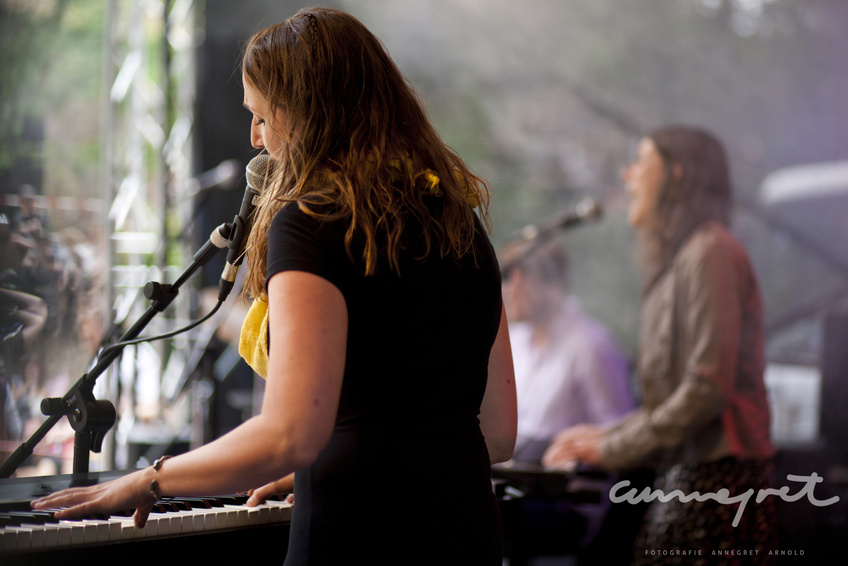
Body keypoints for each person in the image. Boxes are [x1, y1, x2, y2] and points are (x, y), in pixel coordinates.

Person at [32, 8, 518, 565]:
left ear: (308, 114)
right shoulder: (461, 222)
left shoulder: (312, 220)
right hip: (467, 535)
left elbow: (289, 433)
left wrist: (147, 480)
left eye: (262, 117)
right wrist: (331, 456)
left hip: (360, 539)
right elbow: (498, 433)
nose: (256, 140)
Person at [542, 125, 777, 563]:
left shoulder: (711, 252)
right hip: (692, 475)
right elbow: (671, 401)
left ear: (677, 175)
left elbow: (705, 389)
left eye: (640, 162)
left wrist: (612, 447)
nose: (627, 175)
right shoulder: (687, 257)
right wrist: (607, 434)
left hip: (719, 484)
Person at [498, 236, 634, 559]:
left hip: (568, 505)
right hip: (519, 489)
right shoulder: (516, 341)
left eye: (517, 277)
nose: (508, 288)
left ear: (547, 282)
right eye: (506, 278)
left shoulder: (591, 346)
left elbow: (623, 436)